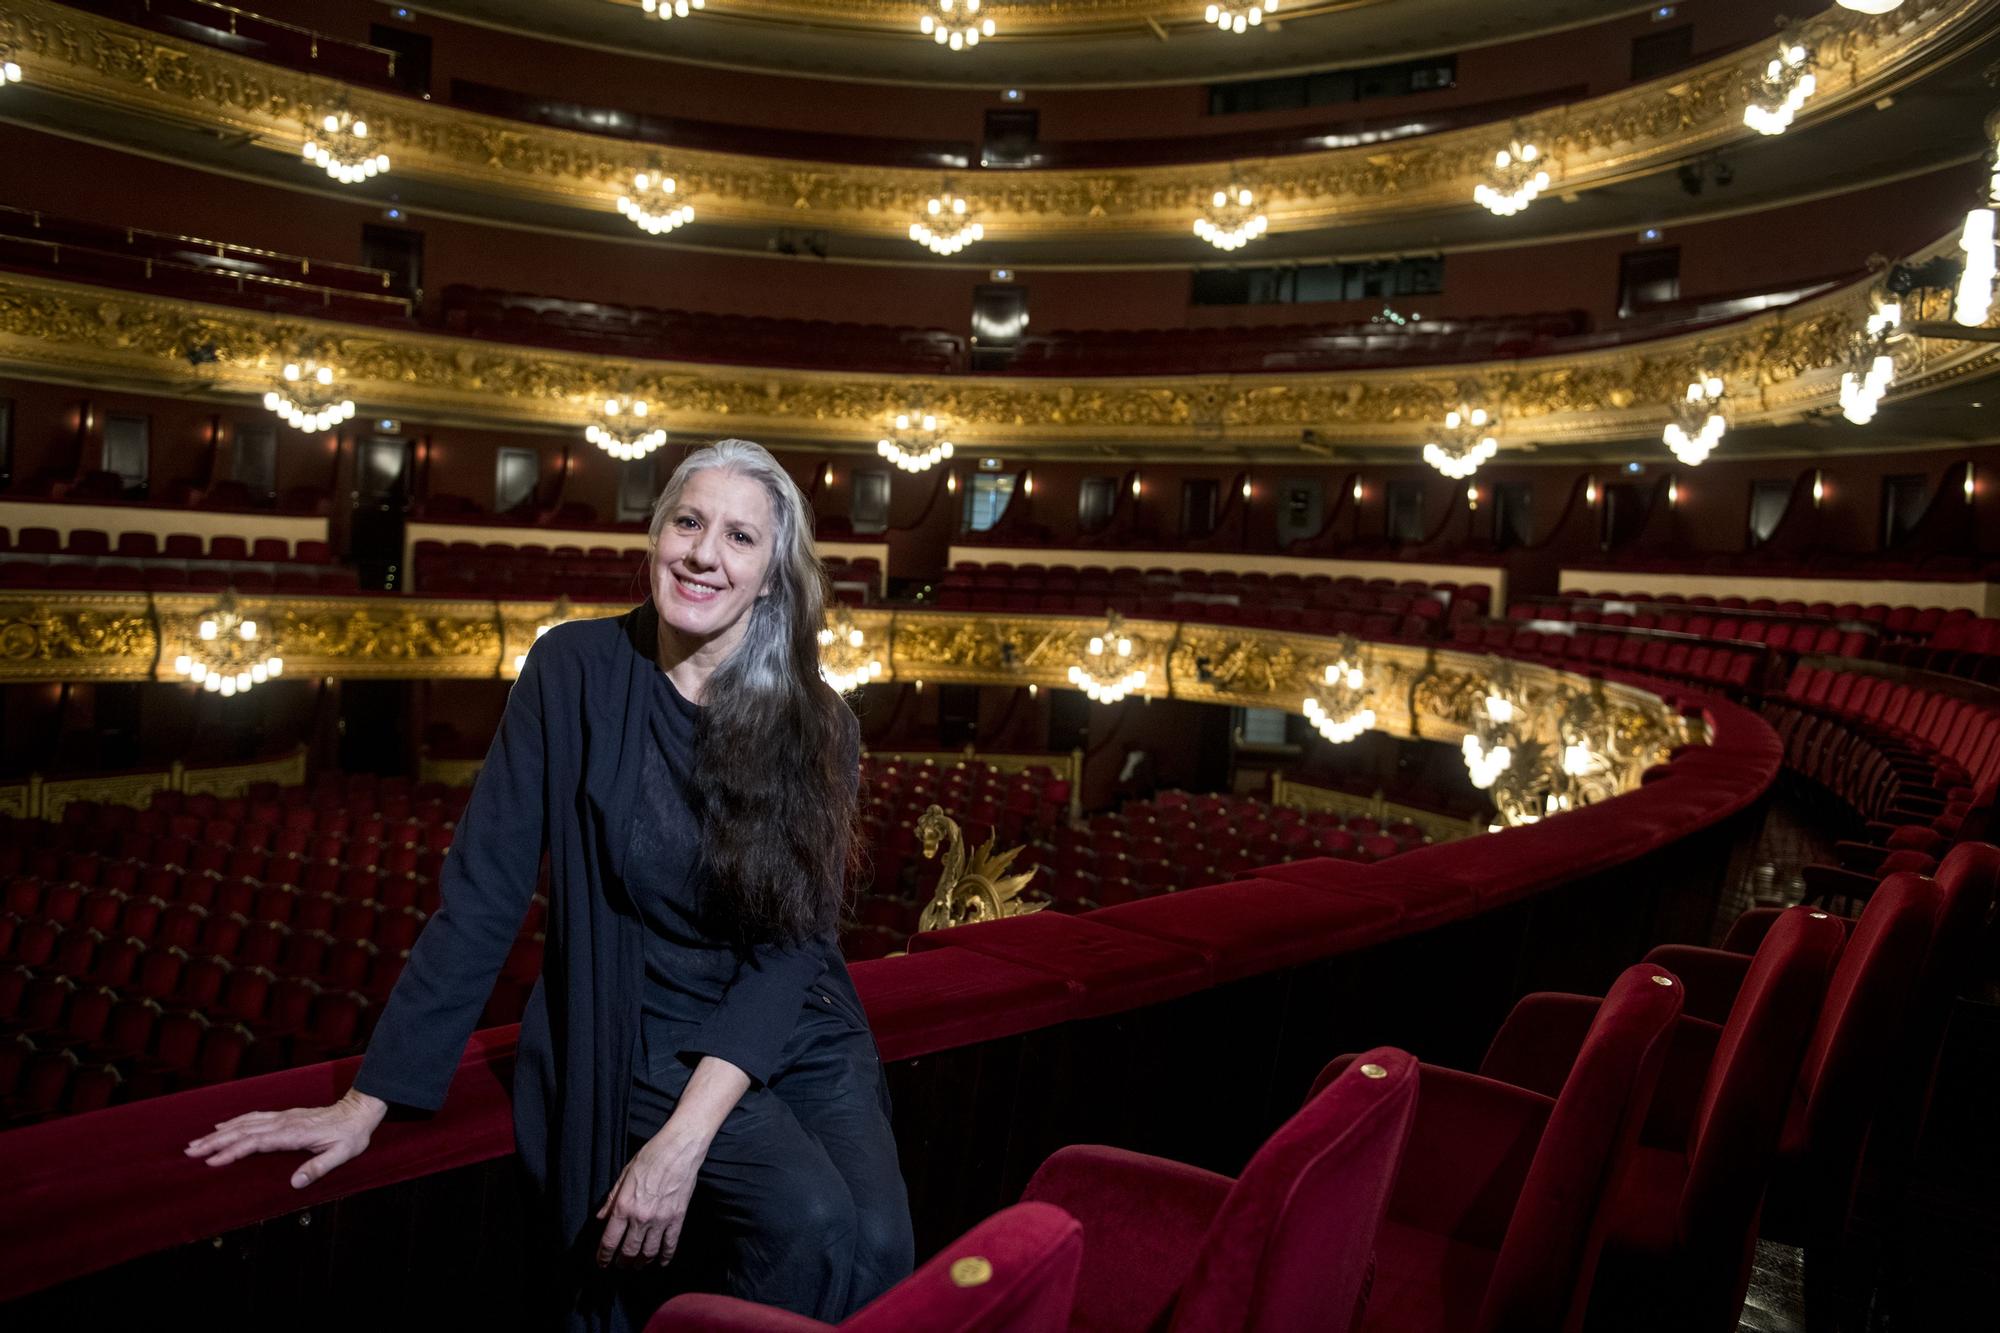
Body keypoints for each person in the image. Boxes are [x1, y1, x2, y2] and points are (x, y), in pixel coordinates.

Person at [184, 438, 916, 1332]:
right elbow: (485, 889)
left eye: (739, 537)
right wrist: (367, 1097)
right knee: (808, 1220)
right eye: (687, 522)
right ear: (655, 536)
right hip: (647, 1018)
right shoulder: (572, 670)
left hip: (786, 1019)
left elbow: (791, 951)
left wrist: (681, 1144)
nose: (702, 554)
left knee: (881, 1241)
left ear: (770, 575)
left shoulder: (818, 721)